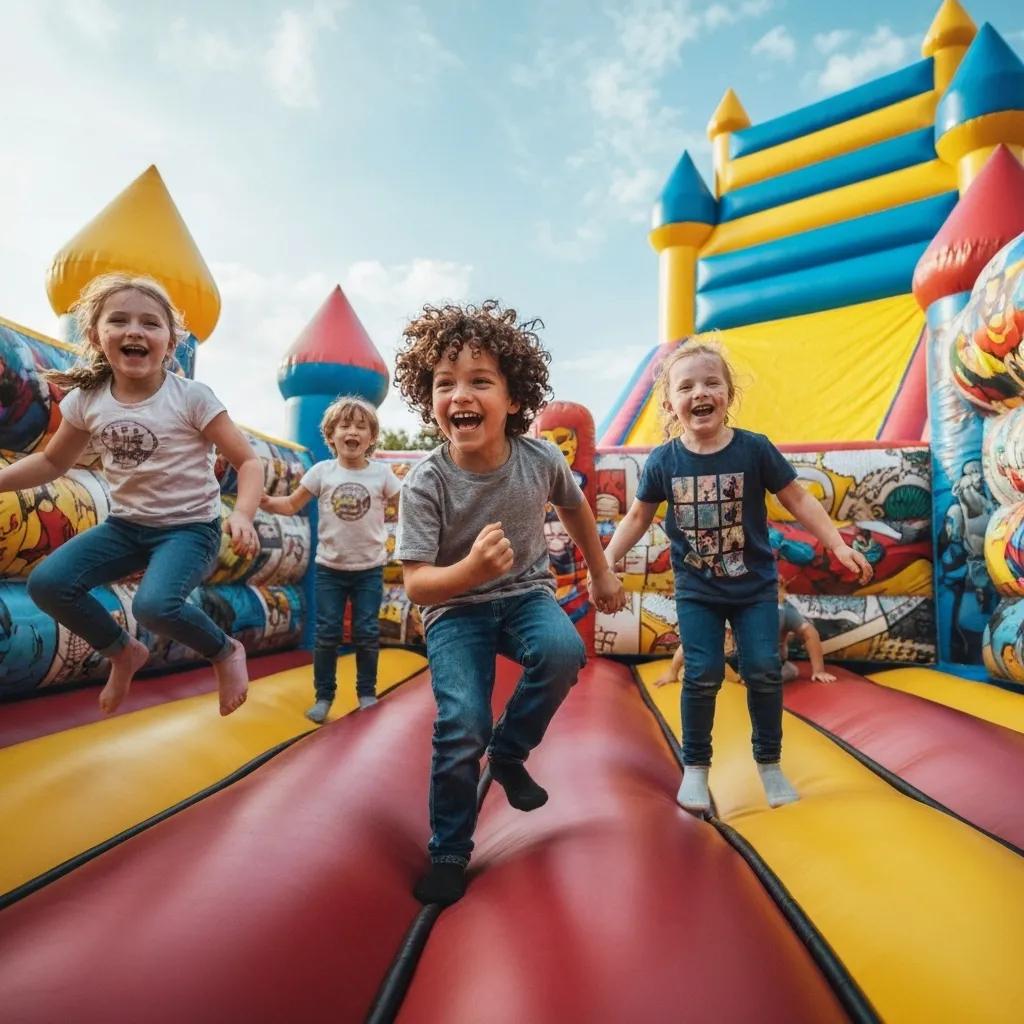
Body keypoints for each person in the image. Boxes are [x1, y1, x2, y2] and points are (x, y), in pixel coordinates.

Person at [394, 299, 626, 906]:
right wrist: (468, 570)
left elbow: (575, 507)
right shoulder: (426, 482)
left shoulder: (540, 458)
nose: (460, 394)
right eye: (445, 383)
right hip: (455, 610)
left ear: (514, 398)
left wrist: (599, 571)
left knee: (562, 651)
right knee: (460, 721)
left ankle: (511, 752)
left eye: (480, 380)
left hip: (525, 594)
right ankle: (449, 850)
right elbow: (417, 583)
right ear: (430, 400)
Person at [602, 337, 871, 813]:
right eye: (686, 386)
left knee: (764, 671)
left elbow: (798, 499)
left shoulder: (753, 450)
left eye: (711, 382)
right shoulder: (665, 461)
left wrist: (836, 543)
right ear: (670, 404)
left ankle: (769, 763)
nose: (699, 392)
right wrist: (605, 564)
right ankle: (696, 767)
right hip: (698, 589)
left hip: (753, 587)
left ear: (728, 394)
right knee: (702, 674)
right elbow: (638, 517)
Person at [1, 274, 261, 716]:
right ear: (96, 336)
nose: (134, 331)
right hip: (127, 527)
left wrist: (244, 516)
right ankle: (122, 650)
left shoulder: (192, 398)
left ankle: (223, 651)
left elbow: (249, 462)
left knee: (156, 606)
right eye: (118, 320)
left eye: (151, 324)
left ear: (171, 341)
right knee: (49, 584)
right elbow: (51, 463)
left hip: (189, 529)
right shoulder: (87, 400)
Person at [260, 395, 401, 723]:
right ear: (331, 435)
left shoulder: (381, 475)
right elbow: (292, 504)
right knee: (327, 634)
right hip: (330, 569)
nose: (352, 431)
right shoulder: (322, 472)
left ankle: (367, 692)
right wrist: (263, 500)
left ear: (370, 437)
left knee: (366, 631)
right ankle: (324, 695)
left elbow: (406, 503)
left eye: (361, 427)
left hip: (369, 568)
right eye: (345, 425)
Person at [653, 585, 837, 685]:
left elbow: (809, 632)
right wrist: (672, 671)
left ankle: (747, 675)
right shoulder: (775, 611)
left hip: (763, 664)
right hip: (745, 662)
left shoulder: (780, 612)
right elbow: (692, 642)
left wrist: (819, 670)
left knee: (787, 670)